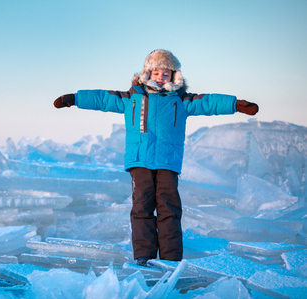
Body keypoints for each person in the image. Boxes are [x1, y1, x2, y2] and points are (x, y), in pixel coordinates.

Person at [53, 49, 258, 266]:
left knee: (169, 209)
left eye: (166, 74)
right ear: (148, 72)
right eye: (157, 73)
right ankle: (144, 256)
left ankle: (171, 257)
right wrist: (73, 98)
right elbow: (102, 98)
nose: (161, 78)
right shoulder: (131, 97)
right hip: (139, 161)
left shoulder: (180, 100)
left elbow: (208, 103)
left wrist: (236, 104)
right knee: (141, 208)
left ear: (173, 76)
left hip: (167, 161)